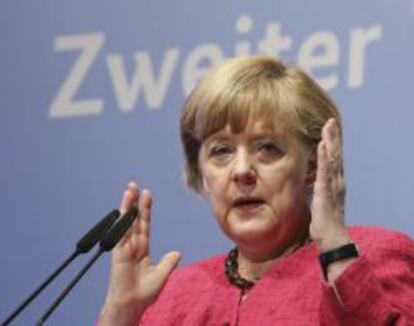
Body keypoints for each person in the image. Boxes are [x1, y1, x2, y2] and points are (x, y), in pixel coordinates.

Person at [98, 56, 414, 325]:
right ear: (204, 174)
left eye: (267, 148)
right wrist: (120, 314)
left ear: (314, 166)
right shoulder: (176, 298)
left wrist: (336, 252)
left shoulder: (372, 256)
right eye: (221, 151)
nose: (241, 171)